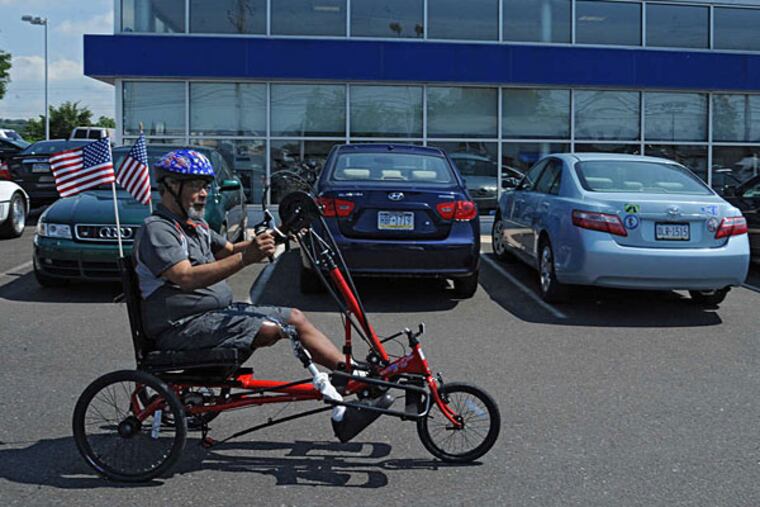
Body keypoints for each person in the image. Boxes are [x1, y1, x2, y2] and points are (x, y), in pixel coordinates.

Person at [133, 148, 345, 371]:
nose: (204, 193)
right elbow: (185, 277)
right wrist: (246, 258)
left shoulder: (195, 225)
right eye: (196, 185)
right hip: (181, 328)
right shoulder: (158, 229)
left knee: (294, 317)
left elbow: (230, 249)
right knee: (271, 327)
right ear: (171, 186)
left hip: (212, 317)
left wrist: (281, 232)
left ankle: (349, 373)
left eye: (205, 186)